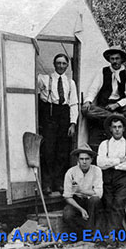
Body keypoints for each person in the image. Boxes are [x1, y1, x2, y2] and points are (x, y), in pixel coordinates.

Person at [81, 46, 126, 162]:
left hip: (121, 106)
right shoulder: (103, 72)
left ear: (121, 60)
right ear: (109, 60)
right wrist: (88, 101)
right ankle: (116, 117)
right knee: (87, 110)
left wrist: (117, 104)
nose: (115, 61)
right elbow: (94, 89)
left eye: (117, 58)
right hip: (105, 107)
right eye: (112, 59)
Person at [38, 53, 78, 195]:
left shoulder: (70, 83)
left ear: (67, 66)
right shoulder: (45, 78)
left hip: (64, 116)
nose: (61, 66)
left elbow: (73, 104)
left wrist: (72, 123)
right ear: (54, 64)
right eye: (58, 63)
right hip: (50, 115)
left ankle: (59, 183)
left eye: (64, 64)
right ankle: (47, 184)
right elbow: (31, 81)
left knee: (62, 152)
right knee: (48, 151)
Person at [97, 114, 126, 232]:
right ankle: (109, 234)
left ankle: (112, 238)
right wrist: (119, 161)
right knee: (108, 204)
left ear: (123, 129)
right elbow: (100, 163)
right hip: (107, 179)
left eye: (119, 127)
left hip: (123, 180)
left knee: (118, 204)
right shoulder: (104, 145)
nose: (117, 129)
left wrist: (111, 164)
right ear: (110, 129)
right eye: (114, 127)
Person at [62, 144, 103, 236]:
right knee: (67, 214)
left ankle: (92, 233)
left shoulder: (97, 171)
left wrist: (80, 190)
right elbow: (67, 196)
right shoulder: (71, 172)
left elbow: (98, 193)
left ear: (92, 159)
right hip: (77, 202)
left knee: (95, 200)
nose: (84, 162)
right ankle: (82, 235)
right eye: (81, 159)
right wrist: (81, 209)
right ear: (78, 160)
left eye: (87, 159)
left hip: (91, 201)